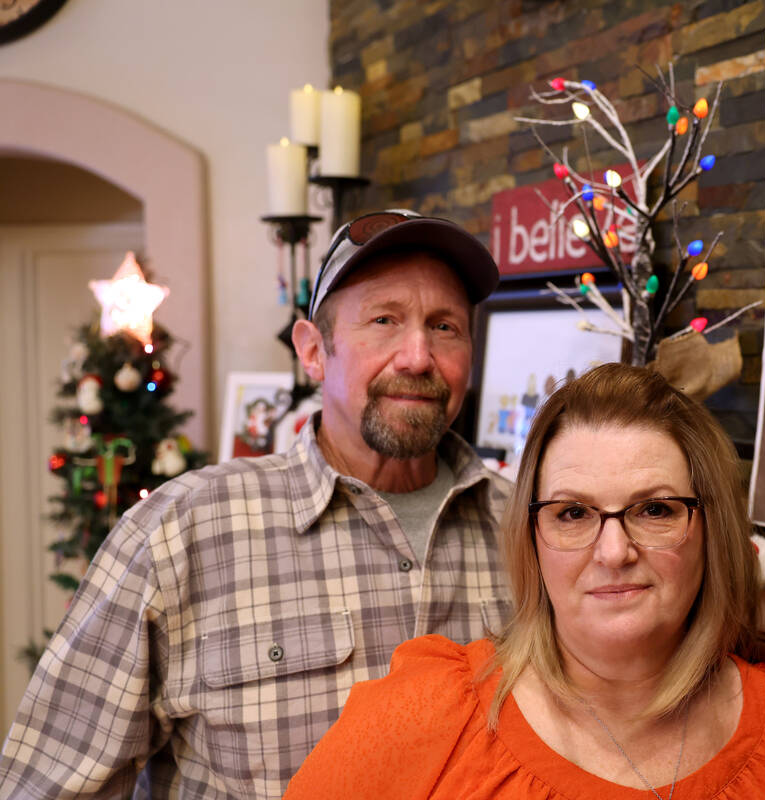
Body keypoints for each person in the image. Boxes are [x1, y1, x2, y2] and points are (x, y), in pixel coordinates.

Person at [0, 210, 513, 799]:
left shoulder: (530, 532)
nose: (418, 357)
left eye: (446, 327)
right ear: (314, 351)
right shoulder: (181, 530)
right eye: (384, 320)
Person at [284, 364, 765, 799]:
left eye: (655, 510)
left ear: (712, 528)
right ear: (533, 538)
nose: (614, 551)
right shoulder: (423, 717)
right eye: (572, 514)